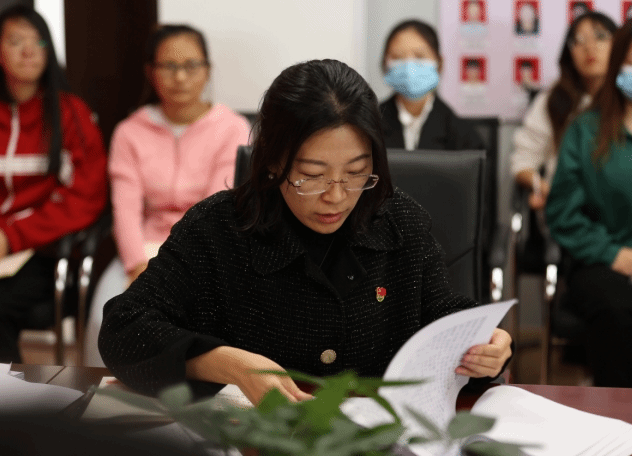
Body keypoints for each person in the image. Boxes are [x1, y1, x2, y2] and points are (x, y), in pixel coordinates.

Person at [99, 59, 512, 404]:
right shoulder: (218, 229)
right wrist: (230, 364)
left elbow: (440, 315)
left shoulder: (399, 221)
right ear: (273, 161)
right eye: (313, 176)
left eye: (356, 172)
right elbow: (125, 329)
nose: (336, 196)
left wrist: (486, 346)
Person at [83, 24, 250, 367]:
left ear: (207, 70)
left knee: (200, 327)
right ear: (151, 72)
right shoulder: (129, 131)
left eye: (191, 65)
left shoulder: (232, 128)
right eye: (169, 66)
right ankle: (103, 395)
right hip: (143, 250)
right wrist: (137, 265)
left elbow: (214, 209)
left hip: (206, 251)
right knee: (105, 319)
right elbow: (125, 208)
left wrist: (181, 267)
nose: (180, 77)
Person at [545, 14, 632, 389]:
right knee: (615, 307)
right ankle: (614, 413)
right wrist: (612, 253)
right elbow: (562, 211)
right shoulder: (585, 129)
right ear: (616, 65)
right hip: (600, 261)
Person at [0, 5, 107, 362]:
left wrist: (10, 236)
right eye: (16, 41)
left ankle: (9, 395)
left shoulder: (71, 113)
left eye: (38, 41)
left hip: (42, 252)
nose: (29, 51)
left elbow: (85, 197)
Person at [511, 11, 616, 210]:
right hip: (566, 207)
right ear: (569, 52)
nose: (590, 47)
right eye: (579, 40)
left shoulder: (630, 99)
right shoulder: (553, 100)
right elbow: (523, 161)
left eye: (600, 36)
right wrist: (546, 189)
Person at [379, 20, 485, 151]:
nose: (409, 67)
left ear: (439, 63)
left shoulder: (463, 135)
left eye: (420, 56)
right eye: (398, 57)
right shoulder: (368, 125)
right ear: (385, 64)